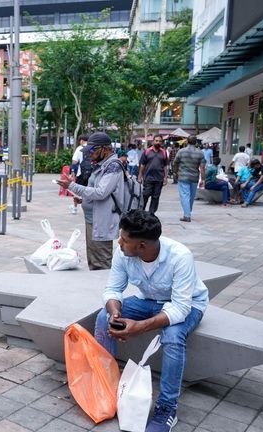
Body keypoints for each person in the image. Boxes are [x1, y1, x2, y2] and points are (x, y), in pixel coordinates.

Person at [94, 209, 207, 432]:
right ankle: (104, 386)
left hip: (189, 305)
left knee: (173, 336)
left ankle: (167, 408)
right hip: (149, 300)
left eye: (125, 240)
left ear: (142, 246)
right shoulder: (123, 252)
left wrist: (140, 327)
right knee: (102, 317)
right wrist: (115, 313)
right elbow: (113, 289)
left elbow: (181, 308)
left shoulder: (180, 256)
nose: (119, 242)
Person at [56, 132, 126, 270]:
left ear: (105, 149)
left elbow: (101, 192)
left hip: (102, 219)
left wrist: (72, 186)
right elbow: (97, 190)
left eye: (93, 151)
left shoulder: (113, 166)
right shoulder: (102, 164)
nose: (90, 154)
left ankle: (104, 289)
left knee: (101, 262)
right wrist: (83, 198)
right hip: (93, 218)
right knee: (94, 261)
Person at [172, 136, 205, 222]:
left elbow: (175, 163)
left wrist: (175, 172)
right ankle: (188, 212)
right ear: (196, 142)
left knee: (185, 195)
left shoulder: (181, 151)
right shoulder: (200, 153)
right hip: (194, 177)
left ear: (187, 142)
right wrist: (203, 179)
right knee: (191, 196)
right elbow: (202, 168)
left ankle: (187, 215)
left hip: (183, 176)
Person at [138, 136, 168, 215]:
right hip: (148, 178)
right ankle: (142, 212)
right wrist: (140, 176)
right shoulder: (147, 151)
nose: (158, 142)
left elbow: (165, 166)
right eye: (156, 141)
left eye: (160, 141)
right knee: (145, 195)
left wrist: (165, 177)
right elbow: (142, 165)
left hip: (159, 178)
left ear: (161, 142)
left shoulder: (164, 152)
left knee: (156, 197)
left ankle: (151, 213)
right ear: (153, 142)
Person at [69, 135, 90, 214]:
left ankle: (74, 208)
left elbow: (74, 161)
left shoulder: (79, 148)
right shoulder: (92, 148)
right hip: (91, 174)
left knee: (76, 191)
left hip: (81, 173)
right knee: (89, 191)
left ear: (81, 140)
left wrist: (73, 171)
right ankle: (89, 208)